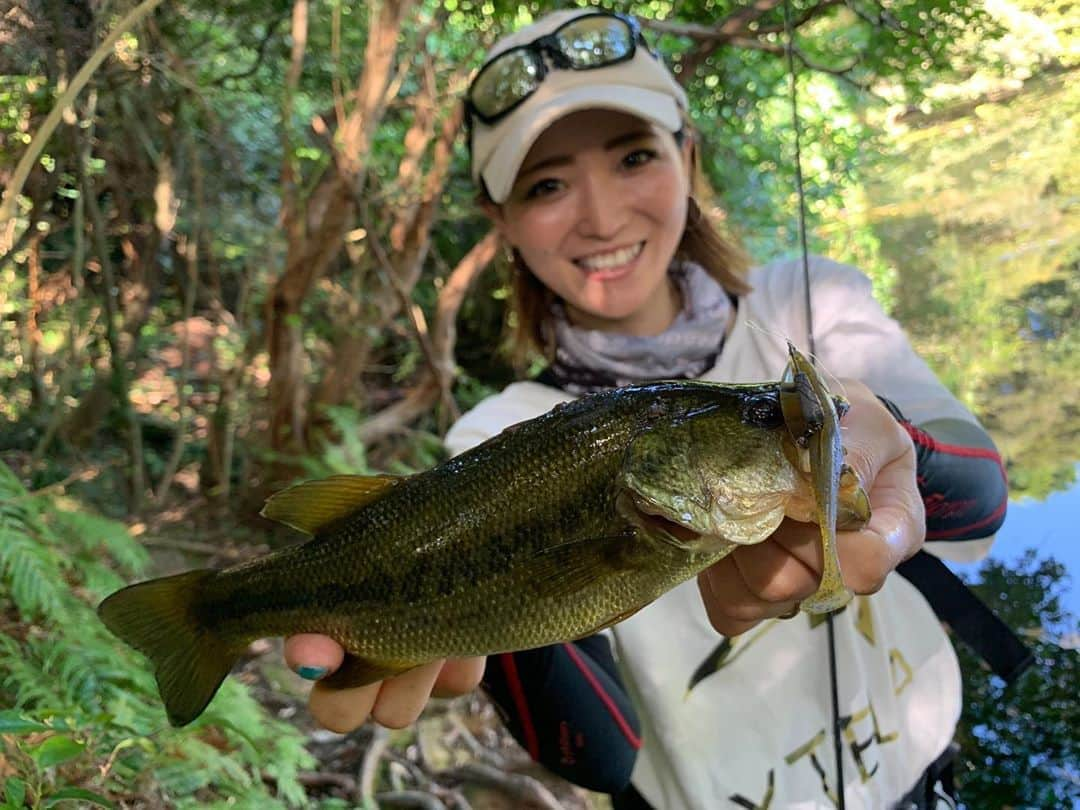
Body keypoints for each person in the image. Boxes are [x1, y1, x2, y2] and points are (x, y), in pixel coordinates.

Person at [284, 9, 1009, 808]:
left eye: (634, 157)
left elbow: (980, 509)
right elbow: (601, 756)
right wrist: (484, 622)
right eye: (548, 184)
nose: (600, 216)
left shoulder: (807, 299)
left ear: (688, 158)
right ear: (503, 221)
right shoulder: (493, 437)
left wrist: (895, 453)